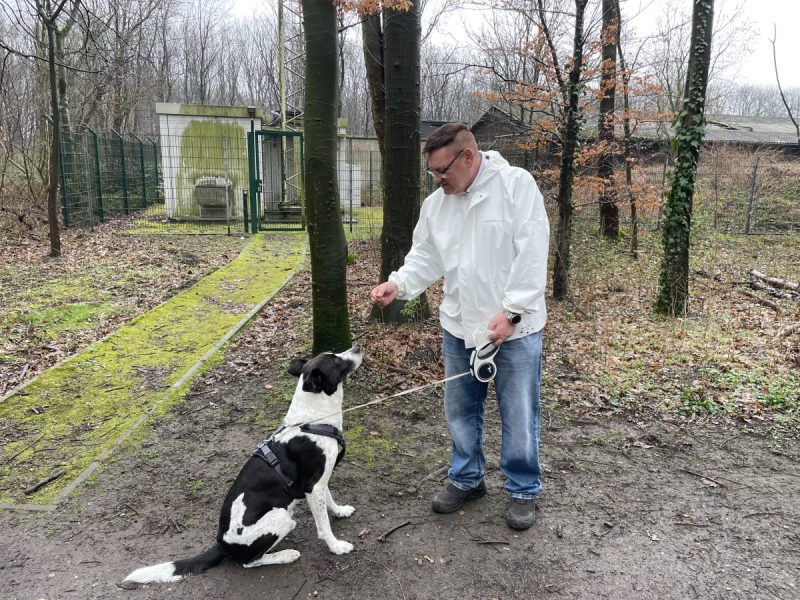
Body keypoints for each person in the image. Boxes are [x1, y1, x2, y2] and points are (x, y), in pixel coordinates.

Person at [370, 122, 549, 530]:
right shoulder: (437, 206)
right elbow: (425, 257)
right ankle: (467, 478)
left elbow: (533, 251)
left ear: (468, 157)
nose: (437, 179)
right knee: (460, 410)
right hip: (458, 326)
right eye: (432, 172)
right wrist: (397, 284)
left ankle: (522, 489)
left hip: (514, 331)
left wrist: (514, 312)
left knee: (518, 412)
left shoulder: (516, 187)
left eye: (441, 170)